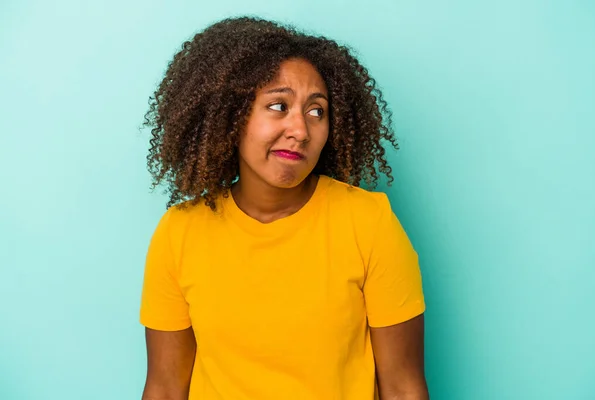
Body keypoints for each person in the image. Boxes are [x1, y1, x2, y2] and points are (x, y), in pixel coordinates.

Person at [140, 16, 428, 400]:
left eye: (316, 111)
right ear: (231, 115)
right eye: (278, 106)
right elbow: (164, 388)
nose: (301, 130)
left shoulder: (368, 222)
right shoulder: (180, 232)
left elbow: (404, 387)